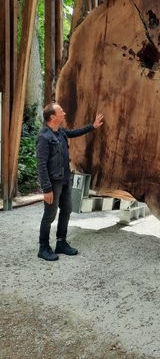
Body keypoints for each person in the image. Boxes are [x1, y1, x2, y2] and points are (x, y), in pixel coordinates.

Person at [36, 103, 104, 261]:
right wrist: (46, 189)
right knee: (49, 215)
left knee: (66, 210)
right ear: (53, 117)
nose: (64, 113)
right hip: (53, 183)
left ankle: (61, 242)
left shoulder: (60, 132)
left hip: (65, 180)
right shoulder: (43, 137)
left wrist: (92, 126)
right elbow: (41, 165)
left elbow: (74, 132)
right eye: (61, 111)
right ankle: (43, 247)